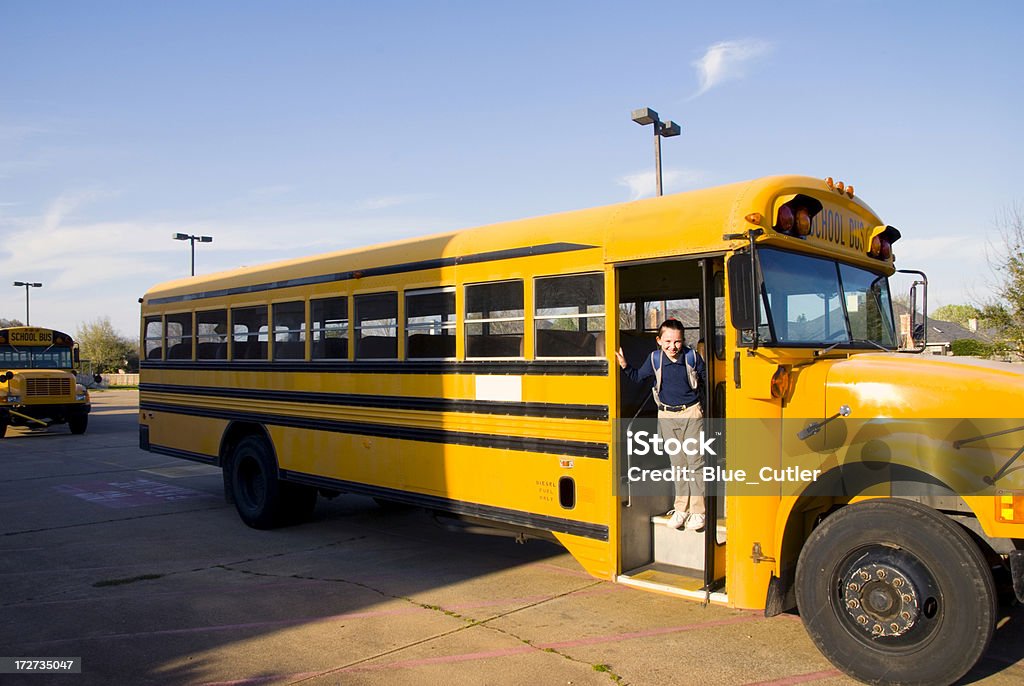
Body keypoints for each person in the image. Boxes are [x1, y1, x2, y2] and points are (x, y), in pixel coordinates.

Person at [615, 319, 707, 531]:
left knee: (695, 463)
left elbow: (705, 381)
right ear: (658, 340)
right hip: (666, 414)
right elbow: (638, 377)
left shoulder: (692, 357)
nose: (672, 346)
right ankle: (681, 508)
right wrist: (625, 366)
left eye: (677, 342)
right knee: (678, 464)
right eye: (667, 341)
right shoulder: (655, 359)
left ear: (683, 341)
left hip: (690, 412)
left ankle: (698, 511)